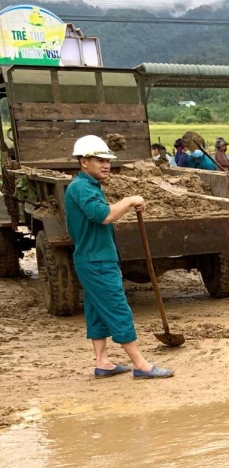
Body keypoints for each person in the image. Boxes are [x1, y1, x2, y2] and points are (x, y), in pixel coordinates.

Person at [64, 135, 173, 379]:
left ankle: (103, 361)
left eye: (107, 160)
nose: (106, 164)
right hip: (96, 260)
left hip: (93, 258)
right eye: (99, 160)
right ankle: (141, 364)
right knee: (117, 308)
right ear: (84, 162)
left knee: (96, 309)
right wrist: (129, 200)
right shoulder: (81, 188)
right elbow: (102, 215)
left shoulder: (88, 186)